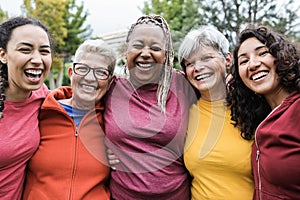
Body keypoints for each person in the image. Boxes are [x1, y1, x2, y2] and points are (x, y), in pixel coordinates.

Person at [104, 15, 197, 199]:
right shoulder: (111, 88)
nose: (145, 53)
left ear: (166, 53)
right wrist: (99, 148)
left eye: (155, 48)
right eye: (138, 46)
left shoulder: (183, 85)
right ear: (126, 50)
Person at [22, 39, 116, 199]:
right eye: (82, 69)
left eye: (100, 72)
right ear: (71, 73)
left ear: (110, 81)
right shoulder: (39, 111)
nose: (90, 78)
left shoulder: (113, 125)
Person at [178, 26, 254, 199]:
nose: (197, 67)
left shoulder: (254, 105)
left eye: (206, 58)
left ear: (227, 60)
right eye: (190, 63)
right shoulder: (186, 112)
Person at [228, 24, 300, 199]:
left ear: (281, 57)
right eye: (243, 61)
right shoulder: (260, 118)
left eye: (262, 53)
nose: (252, 64)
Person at [0, 16, 53, 200]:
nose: (37, 59)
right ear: (3, 55)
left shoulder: (43, 96)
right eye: (25, 49)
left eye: (44, 51)